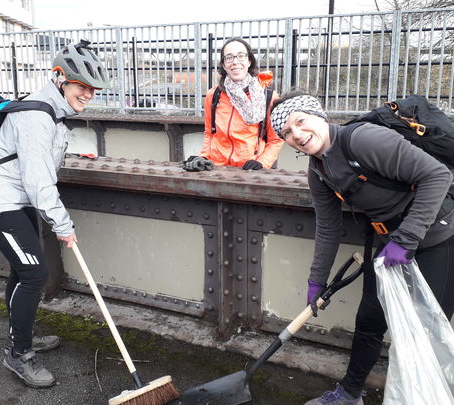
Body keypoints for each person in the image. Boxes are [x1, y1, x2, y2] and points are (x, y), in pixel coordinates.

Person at [270, 91, 454, 405]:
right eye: (286, 132)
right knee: (369, 322)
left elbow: (437, 176)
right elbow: (328, 227)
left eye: (300, 122)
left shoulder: (363, 140)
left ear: (319, 116)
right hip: (387, 243)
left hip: (437, 239)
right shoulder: (318, 171)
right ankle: (349, 394)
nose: (297, 134)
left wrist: (406, 239)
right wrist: (316, 280)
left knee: (426, 332)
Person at [0, 40, 110, 388]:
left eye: (93, 89)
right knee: (34, 273)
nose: (88, 94)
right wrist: (63, 225)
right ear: (60, 78)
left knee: (23, 272)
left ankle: (24, 335)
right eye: (82, 86)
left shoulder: (51, 110)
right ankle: (18, 354)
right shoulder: (36, 116)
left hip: (14, 201)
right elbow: (39, 180)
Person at [183, 37, 283, 172]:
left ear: (249, 61)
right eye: (229, 57)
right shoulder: (213, 95)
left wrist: (262, 163)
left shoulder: (268, 97)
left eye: (241, 56)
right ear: (224, 65)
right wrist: (204, 157)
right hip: (217, 169)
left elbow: (275, 140)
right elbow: (210, 133)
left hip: (250, 171)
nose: (235, 62)